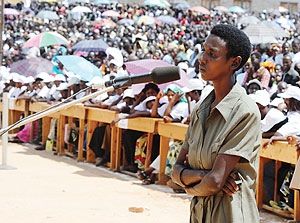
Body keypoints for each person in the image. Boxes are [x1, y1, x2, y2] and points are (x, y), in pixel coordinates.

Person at [171, 24, 261, 222]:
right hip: (199, 214)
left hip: (230, 215)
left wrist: (193, 178)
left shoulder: (244, 112)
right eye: (204, 50)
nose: (202, 59)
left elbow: (215, 181)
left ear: (234, 63)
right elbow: (175, 172)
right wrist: (205, 175)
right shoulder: (201, 110)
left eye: (212, 54)